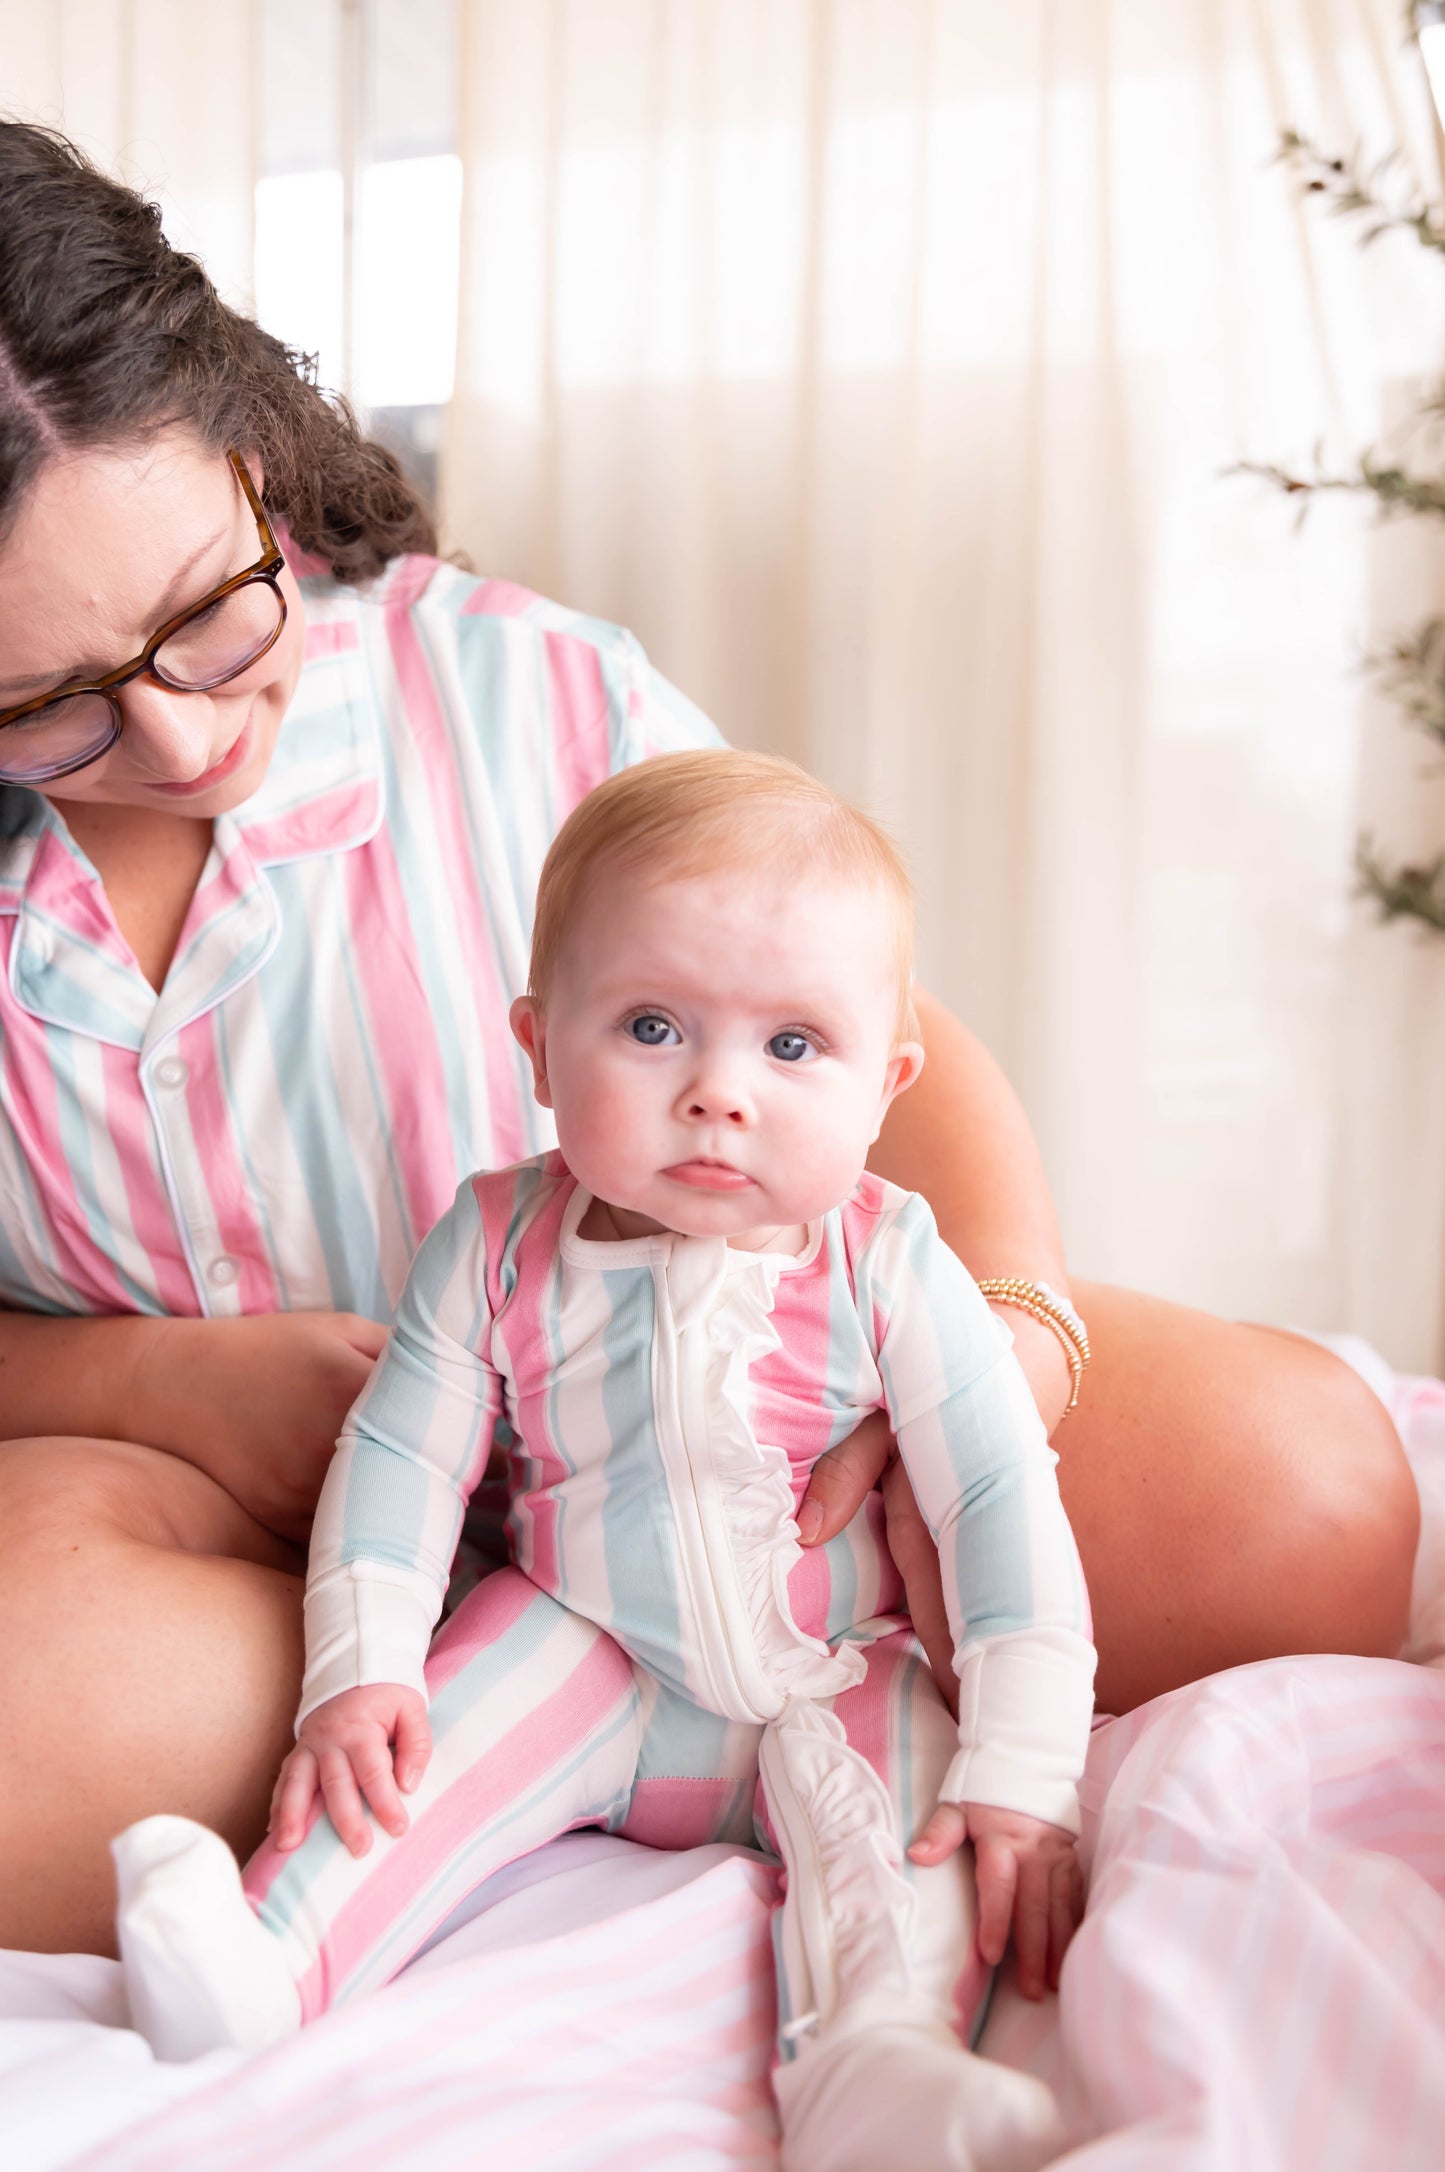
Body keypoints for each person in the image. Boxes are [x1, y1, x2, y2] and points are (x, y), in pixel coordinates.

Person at [0, 120, 1419, 1965]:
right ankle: (527, 1703)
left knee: (1306, 1503)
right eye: (39, 703)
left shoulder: (520, 693)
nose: (183, 747)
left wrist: (1011, 1339)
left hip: (739, 1385)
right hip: (233, 1511)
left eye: (208, 617)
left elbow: (884, 1043)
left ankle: (581, 1703)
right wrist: (145, 1392)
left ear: (256, 458)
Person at [115, 751, 1092, 2172]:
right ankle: (269, 1967)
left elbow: (996, 1497)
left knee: (915, 1841)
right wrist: (363, 1667)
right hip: (586, 1646)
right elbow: (398, 1456)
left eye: (792, 1047)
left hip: (833, 1661)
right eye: (650, 1026)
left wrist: (1025, 1765)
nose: (717, 1094)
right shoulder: (499, 1238)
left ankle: (876, 2061)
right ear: (536, 1042)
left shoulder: (888, 1258)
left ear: (886, 1086)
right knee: (401, 1762)